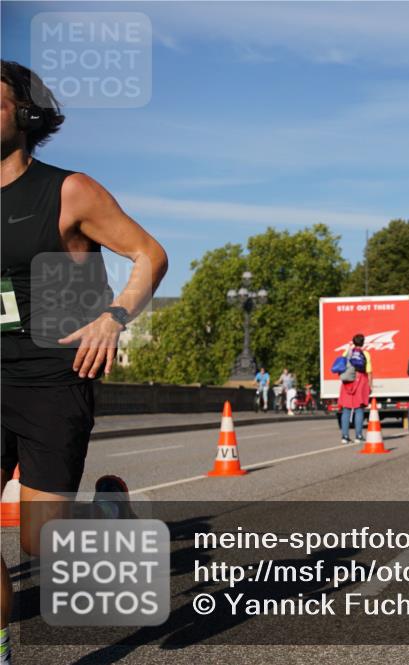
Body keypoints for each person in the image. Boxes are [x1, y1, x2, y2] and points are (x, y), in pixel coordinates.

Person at [0, 61, 168, 663]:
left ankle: (107, 514)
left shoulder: (68, 190)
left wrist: (112, 317)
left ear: (24, 116)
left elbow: (148, 254)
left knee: (38, 541)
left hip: (52, 373)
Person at [338, 334, 372, 443]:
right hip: (361, 381)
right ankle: (358, 435)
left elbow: (341, 367)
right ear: (363, 342)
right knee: (359, 409)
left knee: (346, 409)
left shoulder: (346, 352)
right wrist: (370, 386)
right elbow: (369, 372)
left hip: (347, 382)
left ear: (353, 342)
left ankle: (345, 436)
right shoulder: (366, 354)